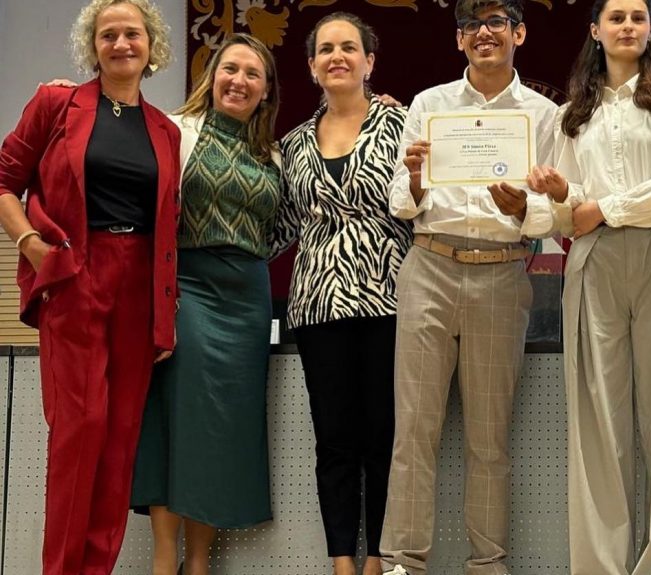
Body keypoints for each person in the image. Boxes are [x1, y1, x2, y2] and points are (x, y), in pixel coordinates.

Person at [526, 0, 651, 572]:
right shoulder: (568, 117)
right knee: (597, 423)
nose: (627, 25)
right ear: (595, 31)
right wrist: (557, 198)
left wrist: (601, 207)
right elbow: (561, 216)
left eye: (637, 16)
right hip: (593, 262)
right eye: (616, 17)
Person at [378, 0, 560, 573]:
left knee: (489, 437)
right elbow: (402, 204)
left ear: (519, 34)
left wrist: (523, 206)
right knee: (414, 431)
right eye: (471, 26)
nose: (483, 34)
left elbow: (550, 215)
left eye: (496, 23)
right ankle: (402, 562)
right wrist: (411, 177)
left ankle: (488, 563)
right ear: (459, 41)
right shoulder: (430, 105)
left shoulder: (544, 114)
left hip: (504, 271)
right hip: (429, 265)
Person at [0, 1, 179, 573]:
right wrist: (30, 243)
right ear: (93, 46)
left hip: (140, 284)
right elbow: (4, 181)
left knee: (121, 439)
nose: (121, 43)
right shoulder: (56, 103)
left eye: (132, 33)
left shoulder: (166, 131)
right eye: (108, 35)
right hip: (76, 273)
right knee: (80, 431)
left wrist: (165, 315)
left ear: (151, 45)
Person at [126, 33, 282, 575]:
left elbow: (281, 226)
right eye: (230, 69)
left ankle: (199, 562)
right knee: (179, 420)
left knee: (221, 427)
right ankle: (166, 556)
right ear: (211, 76)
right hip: (187, 286)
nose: (238, 80)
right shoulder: (173, 131)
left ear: (266, 91)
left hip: (247, 296)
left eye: (252, 74)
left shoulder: (273, 153)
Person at [271, 13, 410, 575]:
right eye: (326, 49)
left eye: (349, 47)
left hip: (391, 300)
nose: (338, 56)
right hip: (318, 307)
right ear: (311, 66)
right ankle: (341, 563)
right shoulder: (293, 144)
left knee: (383, 437)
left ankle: (378, 556)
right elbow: (278, 228)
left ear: (369, 61)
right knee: (334, 440)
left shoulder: (405, 125)